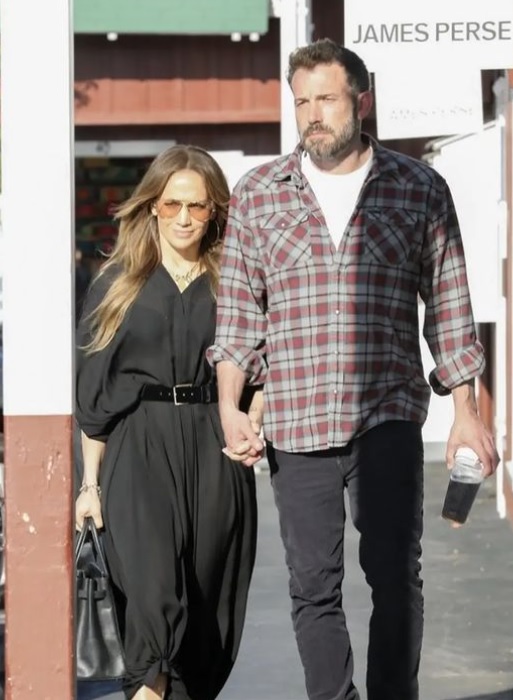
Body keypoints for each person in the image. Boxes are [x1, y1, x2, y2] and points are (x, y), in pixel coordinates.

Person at [207, 39, 500, 700]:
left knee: (394, 577)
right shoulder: (258, 195)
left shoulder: (417, 188)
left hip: (385, 417)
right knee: (313, 588)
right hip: (296, 422)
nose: (312, 115)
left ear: (361, 102)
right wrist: (229, 405)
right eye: (301, 101)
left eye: (326, 99)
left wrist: (466, 414)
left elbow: (449, 305)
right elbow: (239, 316)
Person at [75, 144, 260, 700]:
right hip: (138, 448)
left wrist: (253, 421)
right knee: (154, 600)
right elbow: (95, 396)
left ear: (214, 211)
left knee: (204, 611)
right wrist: (89, 486)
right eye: (172, 203)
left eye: (196, 206)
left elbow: (262, 366)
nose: (183, 217)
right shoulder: (117, 283)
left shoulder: (234, 282)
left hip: (212, 449)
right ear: (152, 205)